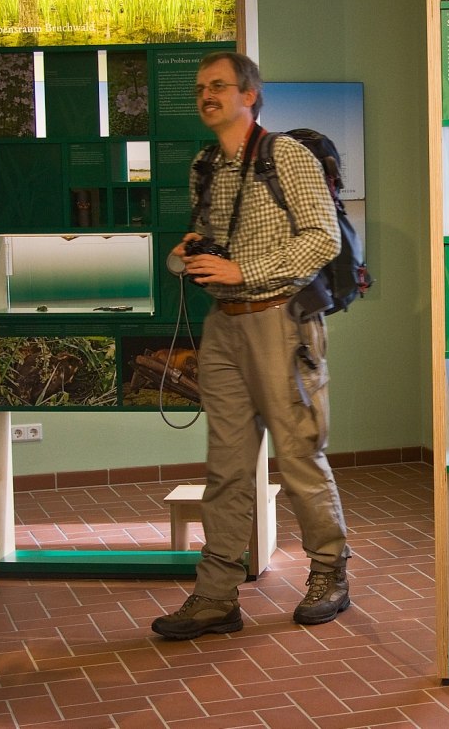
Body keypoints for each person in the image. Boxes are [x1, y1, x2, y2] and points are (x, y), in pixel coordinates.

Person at [151, 51, 351, 640]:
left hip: (280, 321)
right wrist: (190, 253)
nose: (206, 95)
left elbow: (323, 239)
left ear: (250, 95)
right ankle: (215, 596)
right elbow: (207, 248)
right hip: (224, 328)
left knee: (297, 455)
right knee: (227, 466)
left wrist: (245, 271)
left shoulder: (285, 154)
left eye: (219, 86)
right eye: (200, 89)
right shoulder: (204, 163)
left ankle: (329, 573)